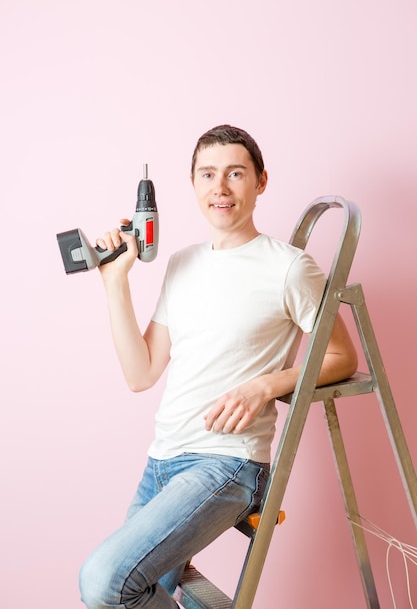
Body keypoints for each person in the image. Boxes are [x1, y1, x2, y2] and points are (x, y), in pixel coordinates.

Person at [79, 124, 358, 608]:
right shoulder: (182, 263)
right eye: (207, 174)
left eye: (235, 173)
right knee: (121, 594)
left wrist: (264, 386)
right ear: (193, 185)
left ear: (260, 182)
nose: (220, 187)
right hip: (162, 461)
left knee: (103, 580)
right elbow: (140, 373)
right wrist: (114, 283)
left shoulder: (289, 267)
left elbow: (342, 356)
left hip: (226, 465)